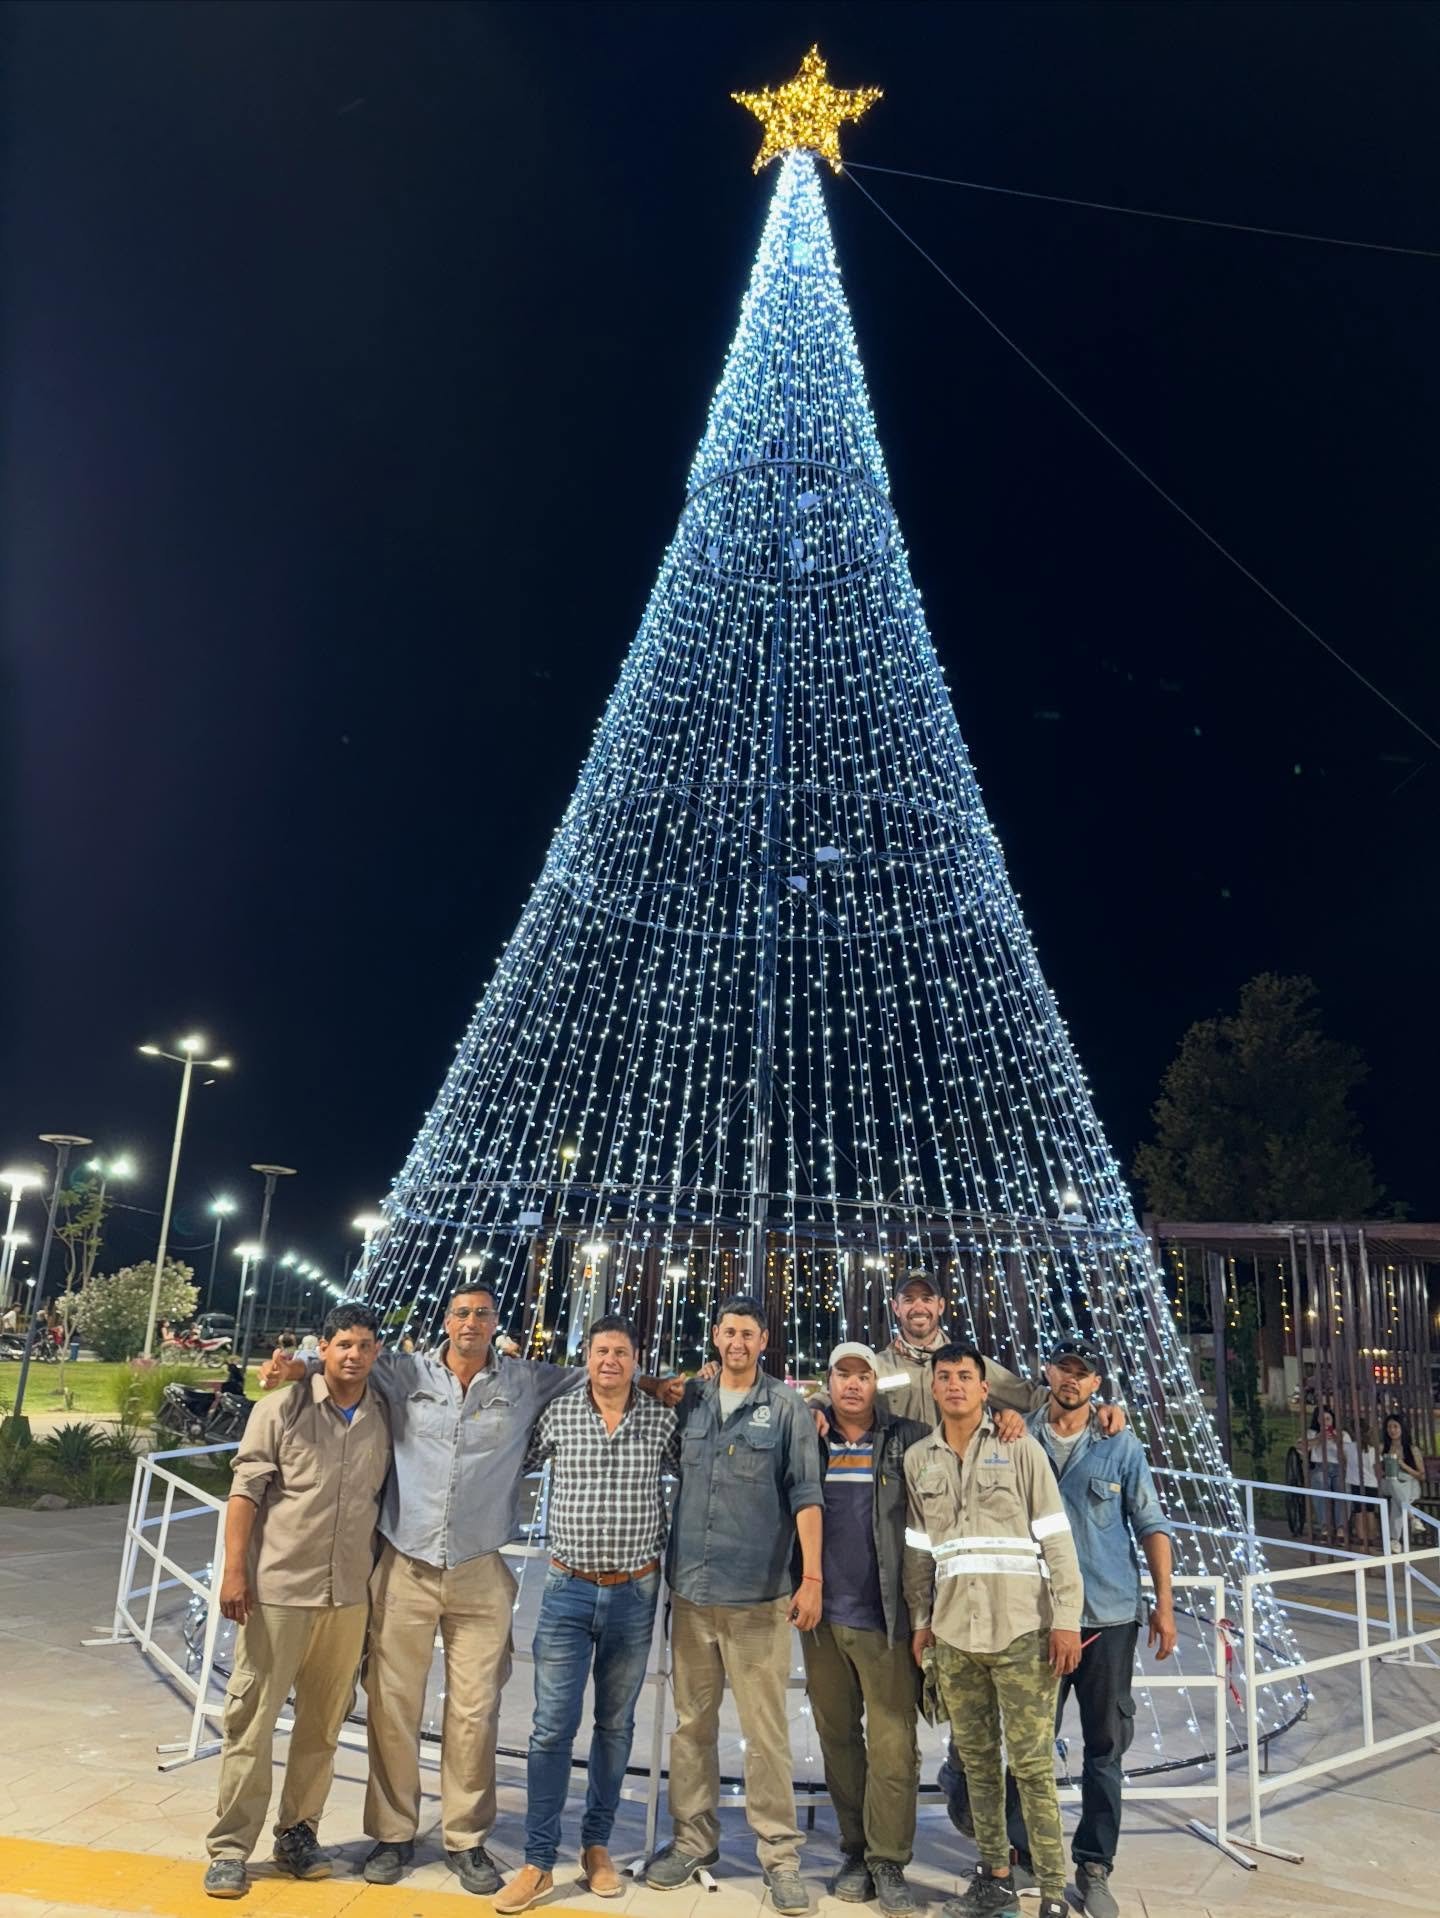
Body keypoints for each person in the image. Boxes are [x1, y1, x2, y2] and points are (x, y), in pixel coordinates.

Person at [261, 1282, 652, 1894]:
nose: (472, 1322)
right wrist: (298, 1365)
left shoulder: (525, 1381)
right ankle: (393, 1833)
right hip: (406, 1565)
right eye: (462, 1312)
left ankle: (466, 1838)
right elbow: (345, 1361)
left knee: (474, 1711)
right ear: (447, 1320)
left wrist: (666, 1387)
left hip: (479, 1570)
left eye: (483, 1313)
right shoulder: (400, 1371)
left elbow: (603, 1375)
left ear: (497, 1322)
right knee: (394, 1706)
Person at [202, 1301, 391, 1900]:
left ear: (376, 1353)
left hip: (348, 1596)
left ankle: (298, 1834)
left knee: (322, 1726)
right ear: (325, 1349)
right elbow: (246, 1491)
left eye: (364, 1345)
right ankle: (231, 1848)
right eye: (343, 1346)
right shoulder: (279, 1408)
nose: (354, 1355)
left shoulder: (385, 1412)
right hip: (279, 1590)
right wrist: (235, 1573)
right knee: (252, 1721)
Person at [645, 1294, 823, 1914]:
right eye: (728, 1331)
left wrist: (813, 1579)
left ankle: (780, 1855)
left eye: (748, 1332)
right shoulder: (691, 1400)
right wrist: (649, 1379)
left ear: (764, 1340)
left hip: (758, 1599)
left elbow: (806, 1493)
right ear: (715, 1338)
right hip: (692, 1595)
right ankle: (694, 1840)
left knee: (765, 1734)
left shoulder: (788, 1408)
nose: (737, 1341)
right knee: (691, 1728)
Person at [495, 1316, 680, 1914]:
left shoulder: (660, 1420)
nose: (610, 1362)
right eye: (601, 1351)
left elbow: (706, 1464)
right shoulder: (560, 1414)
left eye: (622, 1353)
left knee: (615, 1725)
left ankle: (596, 1847)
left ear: (636, 1360)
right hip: (568, 1588)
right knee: (551, 1726)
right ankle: (539, 1859)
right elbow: (505, 1461)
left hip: (635, 1591)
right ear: (587, 1356)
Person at [904, 1343, 1082, 1918]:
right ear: (933, 1388)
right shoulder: (919, 1461)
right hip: (955, 1636)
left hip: (1023, 1632)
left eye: (966, 1377)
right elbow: (919, 1554)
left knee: (1031, 1767)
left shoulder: (1020, 1448)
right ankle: (996, 1876)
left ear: (986, 1390)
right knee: (978, 1765)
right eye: (945, 1377)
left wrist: (1066, 1621)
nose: (955, 1385)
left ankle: (1054, 1890)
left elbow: (1056, 1538)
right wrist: (922, 1624)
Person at [1005, 1339, 1175, 1918]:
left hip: (1107, 1616)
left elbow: (1150, 1522)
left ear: (1097, 1383)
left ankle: (1095, 1862)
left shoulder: (1119, 1444)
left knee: (1104, 1747)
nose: (1071, 1382)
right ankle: (1022, 1853)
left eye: (1083, 1374)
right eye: (1063, 1370)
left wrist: (1164, 1604)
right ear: (1047, 1373)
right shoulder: (1016, 1436)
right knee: (1027, 1744)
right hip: (1033, 1616)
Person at [800, 1343, 929, 1916]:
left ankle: (888, 1859)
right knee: (839, 1741)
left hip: (887, 1617)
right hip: (823, 1618)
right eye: (841, 1375)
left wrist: (1008, 1415)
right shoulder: (808, 1434)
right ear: (827, 1382)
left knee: (894, 1746)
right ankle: (855, 1847)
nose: (852, 1384)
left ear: (878, 1384)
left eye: (863, 1375)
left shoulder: (908, 1438)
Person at [1380, 1413, 1424, 1548]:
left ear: (1402, 1428)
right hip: (1389, 1483)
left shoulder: (1412, 1449)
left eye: (1395, 1426)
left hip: (1409, 1486)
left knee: (1396, 1501)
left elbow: (1421, 1475)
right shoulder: (1383, 1448)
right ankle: (1413, 1518)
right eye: (1389, 1427)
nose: (1392, 1430)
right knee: (1393, 1482)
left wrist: (1402, 1464)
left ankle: (1394, 1540)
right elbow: (1380, 1472)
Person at [1307, 1407, 1350, 1540]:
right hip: (1320, 1467)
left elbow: (1348, 1459)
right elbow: (1302, 1447)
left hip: (1339, 1468)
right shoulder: (1312, 1433)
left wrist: (1338, 1443)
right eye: (1322, 1420)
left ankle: (1341, 1527)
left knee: (1342, 1486)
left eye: (1328, 1419)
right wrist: (1319, 1439)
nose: (1325, 1423)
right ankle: (1325, 1525)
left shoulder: (1343, 1434)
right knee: (1319, 1482)